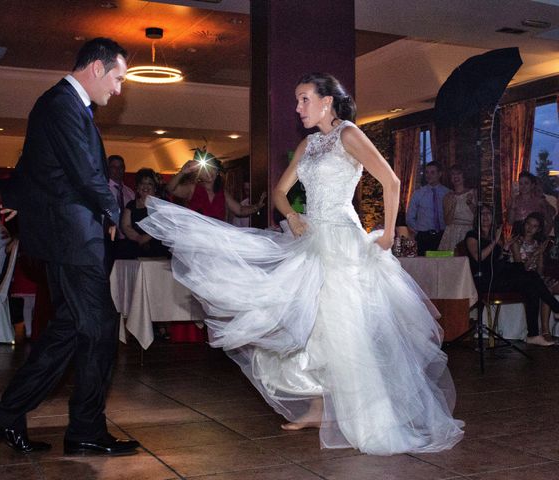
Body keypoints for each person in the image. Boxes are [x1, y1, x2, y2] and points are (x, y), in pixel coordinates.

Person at [139, 72, 464, 455]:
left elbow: (391, 182)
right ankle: (317, 407)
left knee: (343, 329)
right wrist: (291, 216)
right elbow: (279, 192)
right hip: (310, 240)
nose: (297, 107)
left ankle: (369, 416)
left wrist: (390, 233)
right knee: (308, 325)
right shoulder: (309, 144)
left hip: (342, 241)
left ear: (327, 101)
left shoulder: (348, 135)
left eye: (303, 99)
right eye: (296, 100)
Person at [0, 38, 139, 456]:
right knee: (101, 327)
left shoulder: (62, 106)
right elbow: (86, 174)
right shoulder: (61, 104)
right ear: (97, 69)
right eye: (118, 79)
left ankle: (6, 415)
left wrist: (18, 202)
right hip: (71, 239)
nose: (119, 90)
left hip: (66, 236)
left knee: (69, 330)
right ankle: (85, 429)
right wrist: (111, 213)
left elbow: (36, 166)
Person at [465, 207, 558, 347]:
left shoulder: (495, 236)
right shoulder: (472, 235)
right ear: (477, 217)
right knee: (530, 278)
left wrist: (506, 248)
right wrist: (496, 241)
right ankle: (556, 308)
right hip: (485, 280)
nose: (485, 217)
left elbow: (500, 262)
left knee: (531, 282)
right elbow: (479, 258)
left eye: (489, 214)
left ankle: (533, 335)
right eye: (482, 214)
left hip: (499, 275)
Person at [167, 151, 266, 222]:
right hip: (197, 238)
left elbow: (239, 210)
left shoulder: (222, 192)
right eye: (205, 169)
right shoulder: (193, 188)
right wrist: (182, 172)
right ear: (198, 173)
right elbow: (171, 189)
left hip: (217, 237)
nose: (209, 173)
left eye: (212, 168)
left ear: (217, 171)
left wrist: (256, 207)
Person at [510, 212, 558, 342]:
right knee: (532, 278)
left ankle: (540, 333)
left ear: (539, 229)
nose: (530, 228)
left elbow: (540, 270)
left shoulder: (537, 243)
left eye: (534, 226)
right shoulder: (516, 241)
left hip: (532, 279)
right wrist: (537, 253)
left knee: (541, 284)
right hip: (516, 277)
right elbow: (522, 268)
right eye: (528, 224)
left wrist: (540, 255)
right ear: (524, 224)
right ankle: (556, 308)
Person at [120, 168, 169, 258]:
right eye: (142, 183)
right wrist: (138, 238)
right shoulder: (131, 204)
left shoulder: (162, 204)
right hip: (134, 249)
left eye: (149, 183)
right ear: (138, 188)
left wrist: (147, 237)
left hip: (158, 250)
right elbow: (126, 226)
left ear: (155, 188)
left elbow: (164, 225)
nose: (145, 186)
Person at [406, 161, 450, 255]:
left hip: (443, 236)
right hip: (424, 237)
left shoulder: (447, 193)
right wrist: (419, 231)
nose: (428, 175)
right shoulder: (418, 194)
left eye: (432, 172)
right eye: (427, 172)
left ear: (440, 174)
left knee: (443, 264)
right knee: (424, 265)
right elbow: (410, 217)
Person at [438, 165, 476, 251]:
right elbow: (447, 221)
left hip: (469, 231)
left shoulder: (473, 193)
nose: (456, 176)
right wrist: (453, 205)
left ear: (464, 176)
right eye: (452, 174)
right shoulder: (447, 196)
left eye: (458, 173)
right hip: (452, 232)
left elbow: (478, 216)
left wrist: (470, 203)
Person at [507, 171, 555, 236]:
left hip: (534, 237)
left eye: (526, 183)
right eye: (520, 183)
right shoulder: (513, 199)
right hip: (517, 236)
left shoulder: (539, 201)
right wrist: (513, 201)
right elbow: (510, 222)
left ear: (532, 185)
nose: (523, 186)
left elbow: (550, 221)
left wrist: (542, 238)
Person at [107, 154, 136, 259]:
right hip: (109, 238)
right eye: (113, 167)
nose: (117, 170)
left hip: (128, 240)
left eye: (120, 167)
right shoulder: (104, 191)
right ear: (108, 168)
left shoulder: (129, 192)